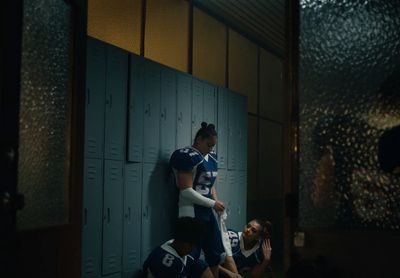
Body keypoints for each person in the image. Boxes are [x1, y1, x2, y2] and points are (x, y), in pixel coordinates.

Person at [169, 122, 231, 277]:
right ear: (199, 140)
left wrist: (217, 203)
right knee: (190, 254)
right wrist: (213, 203)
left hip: (207, 211)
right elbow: (186, 192)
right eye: (208, 145)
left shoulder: (211, 158)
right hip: (191, 210)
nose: (210, 149)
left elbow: (210, 185)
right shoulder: (187, 155)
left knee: (215, 252)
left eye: (213, 146)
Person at [142, 217, 213, 278]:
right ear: (180, 241)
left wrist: (224, 271)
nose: (193, 248)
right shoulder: (166, 262)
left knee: (201, 265)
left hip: (184, 273)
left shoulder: (185, 249)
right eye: (191, 245)